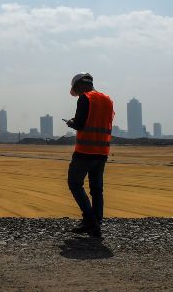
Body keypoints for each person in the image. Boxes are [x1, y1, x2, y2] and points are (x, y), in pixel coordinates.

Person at [64, 72, 114, 238]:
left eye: (76, 91)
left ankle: (90, 221)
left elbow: (80, 123)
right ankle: (96, 223)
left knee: (75, 184)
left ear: (79, 86)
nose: (77, 94)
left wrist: (71, 122)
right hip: (102, 151)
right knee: (97, 189)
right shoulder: (108, 99)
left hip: (85, 151)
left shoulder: (85, 98)